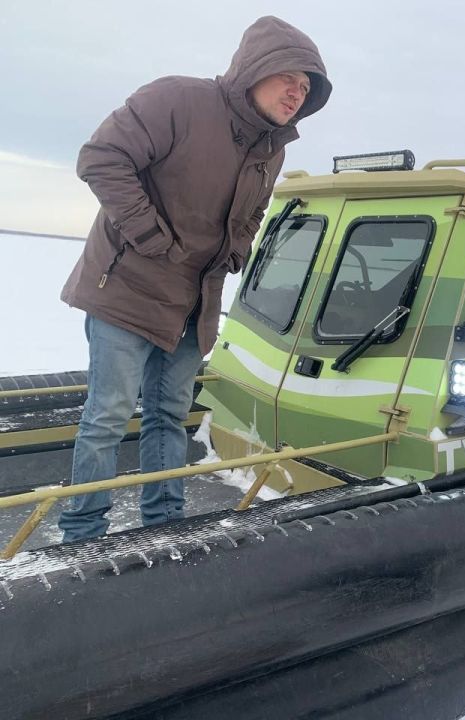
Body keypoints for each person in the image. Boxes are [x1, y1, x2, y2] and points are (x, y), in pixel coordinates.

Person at [58, 16, 332, 542]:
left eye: (306, 88)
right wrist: (151, 238)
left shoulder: (271, 147)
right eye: (288, 80)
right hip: (127, 293)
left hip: (192, 302)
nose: (296, 94)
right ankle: (83, 534)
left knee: (168, 414)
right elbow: (101, 158)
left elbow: (253, 213)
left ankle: (164, 526)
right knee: (108, 416)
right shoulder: (176, 100)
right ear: (256, 68)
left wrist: (238, 250)